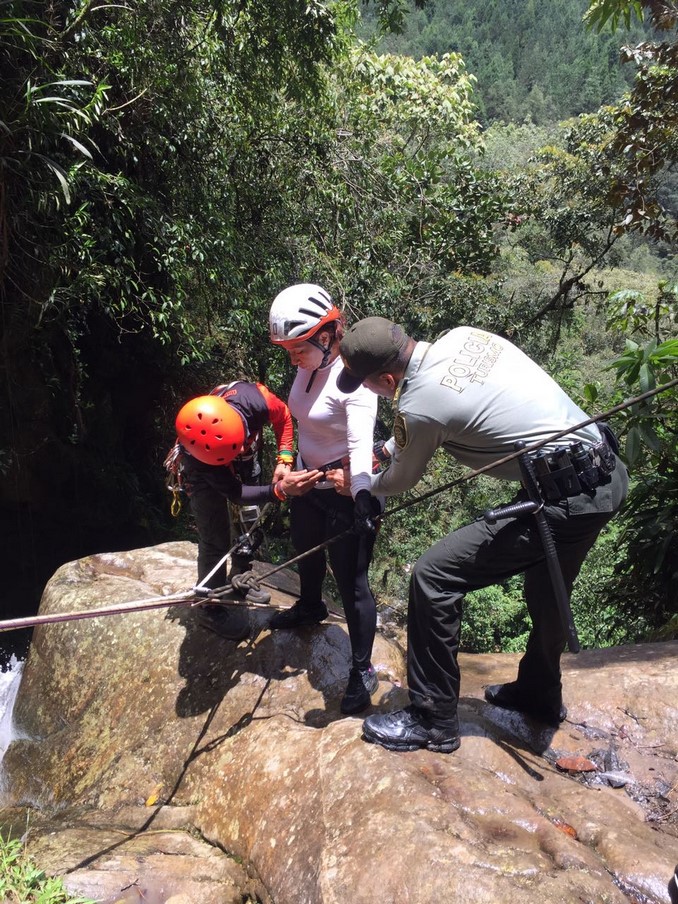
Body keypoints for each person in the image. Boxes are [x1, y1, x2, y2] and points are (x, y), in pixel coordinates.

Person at [336, 316, 629, 752]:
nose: (365, 389)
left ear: (386, 379)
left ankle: (433, 719)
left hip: (565, 497)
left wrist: (361, 485)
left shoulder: (419, 405)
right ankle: (539, 693)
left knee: (434, 576)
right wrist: (390, 447)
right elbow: (447, 407)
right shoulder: (463, 337)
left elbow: (400, 479)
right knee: (547, 587)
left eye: (365, 382)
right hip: (603, 475)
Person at [268, 284, 383, 714]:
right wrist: (286, 461)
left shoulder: (355, 381)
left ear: (327, 336)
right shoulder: (310, 365)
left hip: (344, 491)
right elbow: (297, 418)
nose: (292, 359)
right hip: (309, 482)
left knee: (352, 581)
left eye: (297, 349)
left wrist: (362, 494)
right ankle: (311, 606)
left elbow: (360, 441)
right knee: (306, 550)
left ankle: (362, 669)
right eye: (288, 351)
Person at [169, 382, 321, 640]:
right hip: (204, 472)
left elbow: (283, 416)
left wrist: (285, 459)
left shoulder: (257, 401)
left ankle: (241, 573)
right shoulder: (198, 455)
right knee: (214, 538)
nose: (239, 450)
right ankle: (208, 607)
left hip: (247, 463)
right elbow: (235, 493)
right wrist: (278, 491)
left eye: (239, 444)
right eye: (235, 448)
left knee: (250, 519)